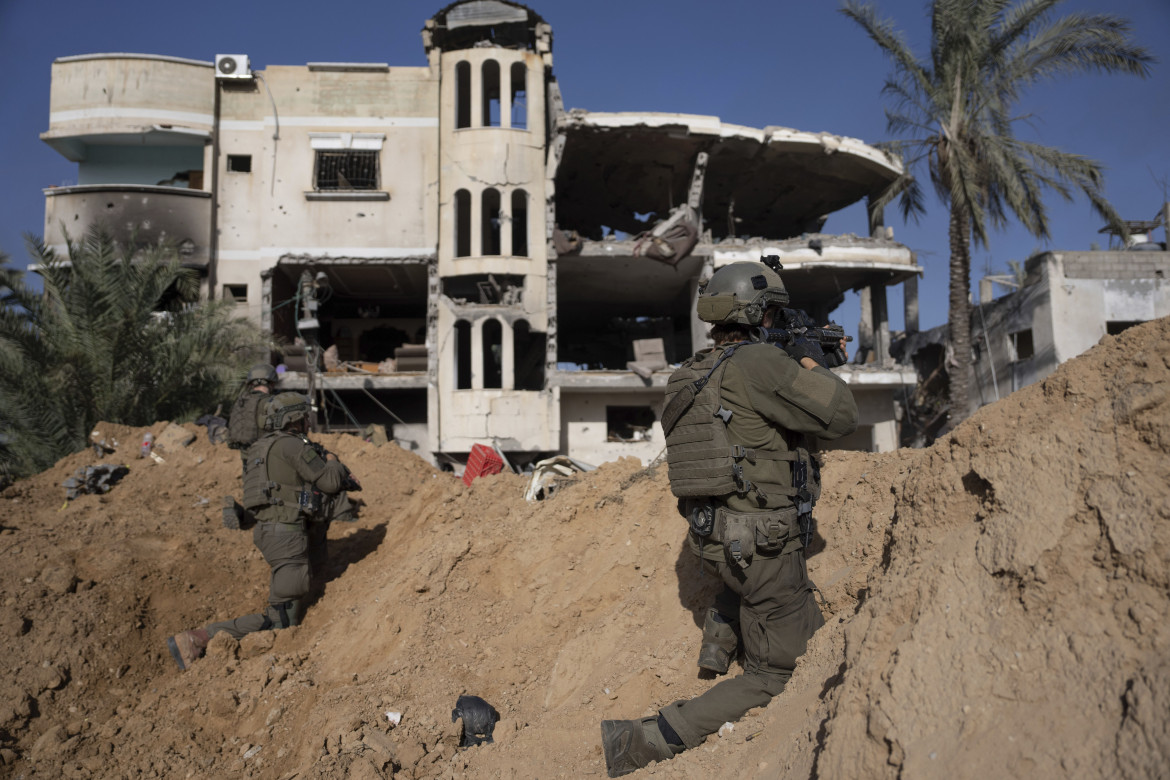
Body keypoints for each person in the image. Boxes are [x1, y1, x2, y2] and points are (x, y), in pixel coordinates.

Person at [600, 260, 858, 776]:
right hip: (762, 547)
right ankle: (644, 740)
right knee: (780, 673)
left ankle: (720, 639)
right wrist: (810, 361)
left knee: (745, 587)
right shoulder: (760, 364)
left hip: (714, 539)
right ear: (759, 313)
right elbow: (840, 416)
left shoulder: (690, 373)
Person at [167, 392, 354, 670]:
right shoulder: (292, 446)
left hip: (270, 531)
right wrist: (333, 460)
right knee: (282, 620)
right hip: (287, 536)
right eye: (305, 418)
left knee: (297, 596)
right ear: (295, 419)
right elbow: (327, 481)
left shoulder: (260, 447)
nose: (308, 424)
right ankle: (199, 639)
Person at [223, 363, 278, 527]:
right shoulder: (273, 403)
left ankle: (246, 514)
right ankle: (269, 517)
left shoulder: (241, 403)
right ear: (271, 382)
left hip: (247, 455)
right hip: (270, 456)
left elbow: (233, 433)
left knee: (251, 488)